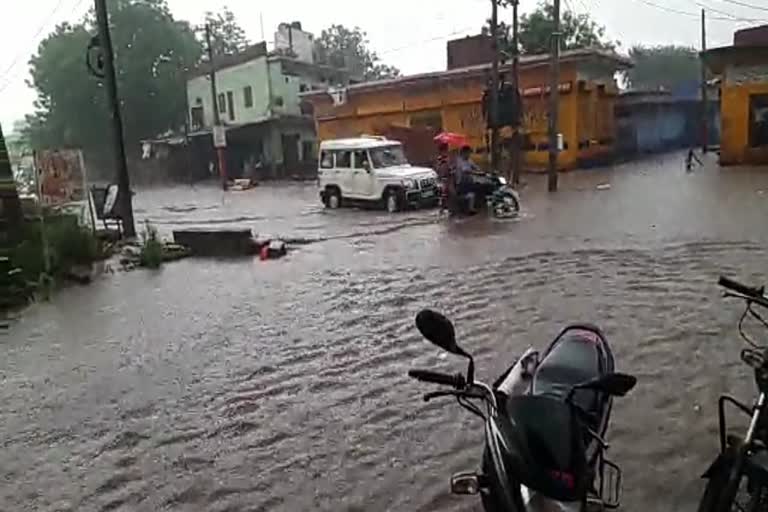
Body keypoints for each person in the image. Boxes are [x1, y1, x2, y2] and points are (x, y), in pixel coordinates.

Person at [455, 145, 478, 213]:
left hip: (469, 181)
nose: (469, 154)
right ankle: (471, 209)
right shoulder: (459, 161)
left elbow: (475, 166)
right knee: (472, 192)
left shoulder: (469, 160)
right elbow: (465, 170)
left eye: (469, 153)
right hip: (461, 183)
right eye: (468, 153)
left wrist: (481, 171)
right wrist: (474, 172)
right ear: (463, 153)